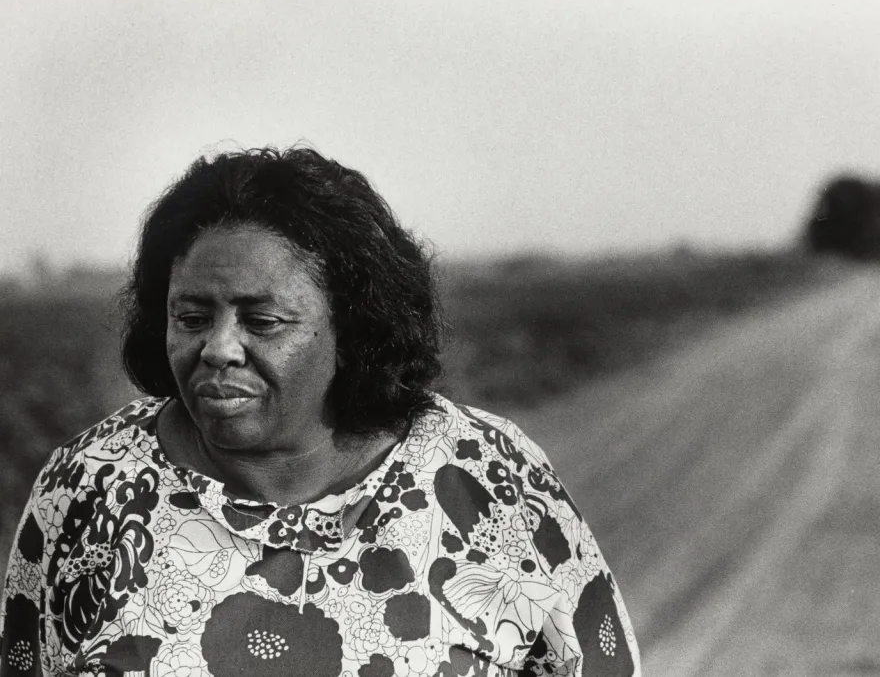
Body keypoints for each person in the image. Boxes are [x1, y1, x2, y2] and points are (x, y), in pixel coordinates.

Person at [0, 146, 641, 676]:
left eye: (263, 320)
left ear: (353, 330)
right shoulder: (89, 486)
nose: (218, 349)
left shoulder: (489, 477)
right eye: (191, 318)